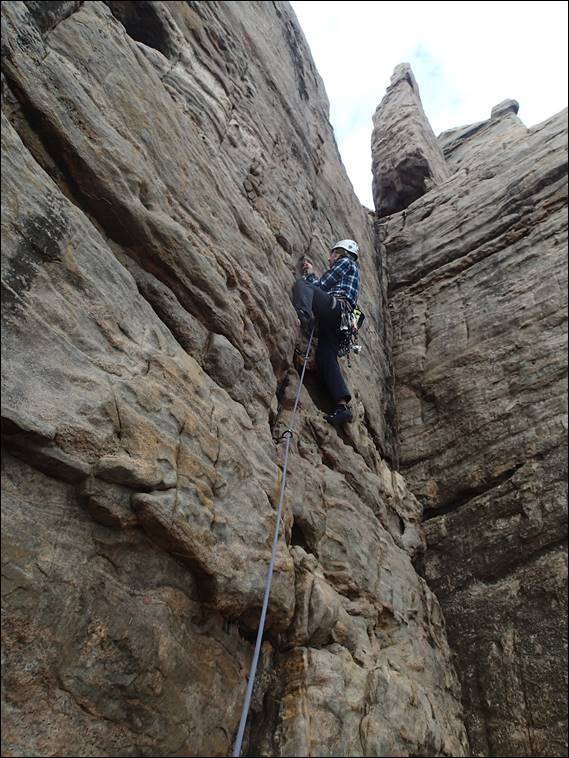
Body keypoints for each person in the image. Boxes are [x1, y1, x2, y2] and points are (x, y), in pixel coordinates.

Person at [292, 239, 361, 425]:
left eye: (331, 255)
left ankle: (304, 316)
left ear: (338, 253)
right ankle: (342, 406)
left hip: (337, 309)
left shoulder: (345, 262)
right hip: (342, 323)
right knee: (325, 357)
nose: (329, 259)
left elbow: (320, 286)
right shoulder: (351, 269)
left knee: (302, 285)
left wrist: (309, 274)